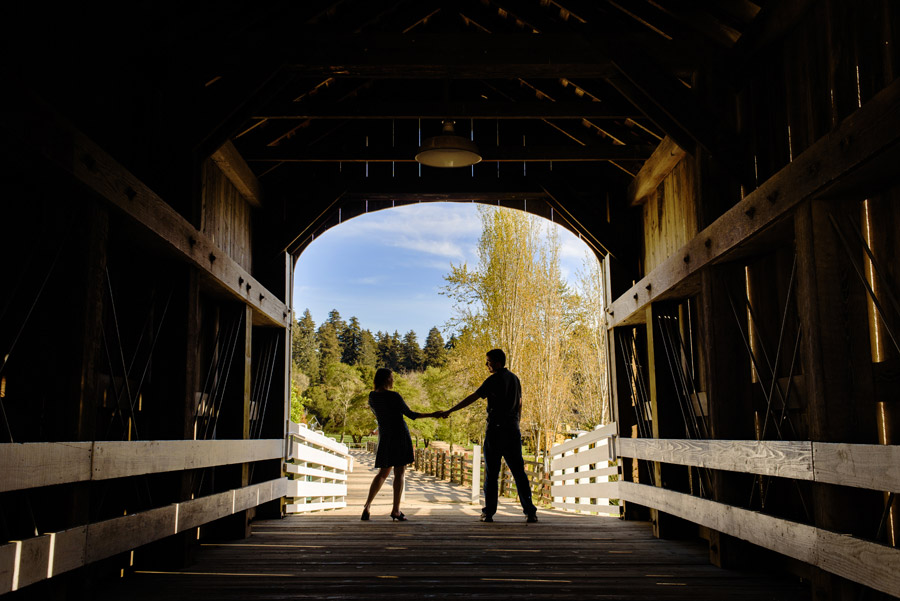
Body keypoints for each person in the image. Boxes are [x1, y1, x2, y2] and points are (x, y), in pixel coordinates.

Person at [437, 349, 538, 523]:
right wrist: (516, 422)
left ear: (497, 363)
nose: (487, 365)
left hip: (496, 430)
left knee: (491, 473)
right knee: (519, 472)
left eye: (489, 361)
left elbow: (473, 397)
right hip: (513, 430)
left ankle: (489, 512)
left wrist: (450, 410)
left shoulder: (493, 380)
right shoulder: (515, 379)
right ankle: (530, 511)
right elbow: (520, 403)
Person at [362, 367, 439, 521]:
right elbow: (411, 415)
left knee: (383, 473)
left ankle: (367, 506)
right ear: (386, 379)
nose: (393, 380)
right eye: (391, 377)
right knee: (399, 472)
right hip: (399, 435)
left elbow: (380, 416)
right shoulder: (394, 396)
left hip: (385, 436)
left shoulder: (372, 397)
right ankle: (396, 510)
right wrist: (434, 414)